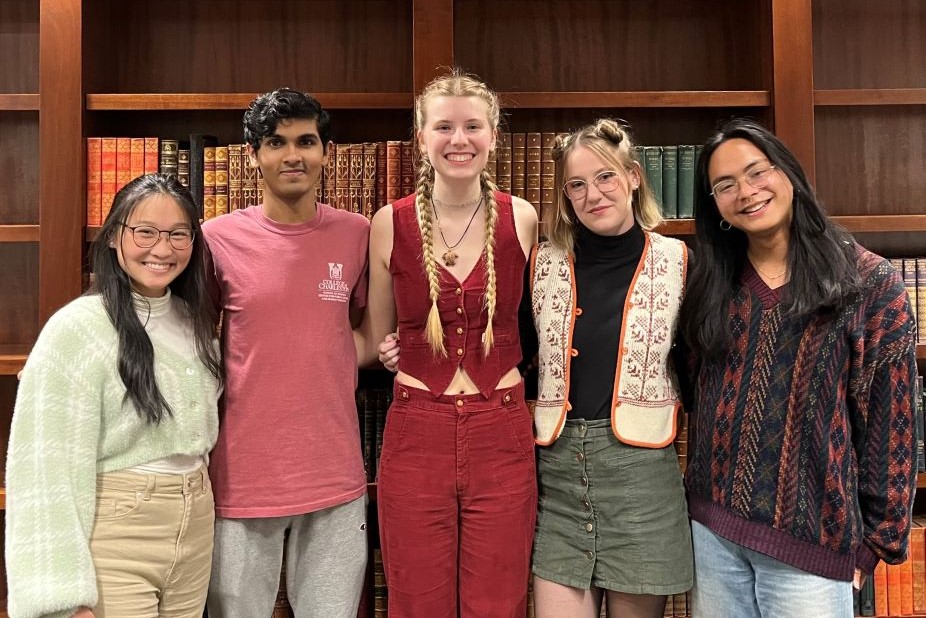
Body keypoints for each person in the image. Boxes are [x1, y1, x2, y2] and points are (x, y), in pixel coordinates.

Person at [679, 118, 918, 618]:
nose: (745, 192)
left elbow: (891, 424)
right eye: (724, 186)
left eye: (756, 172)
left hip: (813, 544)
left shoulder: (870, 284)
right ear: (715, 206)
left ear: (788, 173)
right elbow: (693, 390)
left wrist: (877, 541)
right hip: (712, 536)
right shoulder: (709, 282)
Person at [357, 69, 539, 617]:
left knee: (498, 601)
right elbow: (376, 334)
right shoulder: (389, 222)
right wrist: (387, 350)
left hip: (502, 429)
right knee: (417, 602)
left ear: (493, 134)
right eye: (443, 127)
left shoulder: (522, 217)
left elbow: (537, 325)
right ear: (421, 137)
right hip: (417, 430)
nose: (458, 140)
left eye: (472, 127)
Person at [5, 173, 222, 617]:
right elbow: (43, 463)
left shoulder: (196, 322)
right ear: (113, 238)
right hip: (117, 530)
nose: (162, 249)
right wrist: (61, 595)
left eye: (178, 234)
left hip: (196, 526)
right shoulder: (77, 328)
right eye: (144, 232)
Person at [203, 89, 370, 616]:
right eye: (275, 143)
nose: (292, 155)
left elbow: (362, 333)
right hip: (240, 478)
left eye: (305, 141)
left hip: (335, 475)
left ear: (328, 152)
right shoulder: (215, 238)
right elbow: (196, 349)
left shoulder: (357, 234)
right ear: (253, 154)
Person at [524, 119, 693, 618]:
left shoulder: (680, 262)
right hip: (557, 477)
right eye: (576, 185)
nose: (592, 194)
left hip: (642, 478)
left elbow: (703, 369)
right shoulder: (542, 263)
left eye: (605, 177)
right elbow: (506, 351)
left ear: (634, 177)